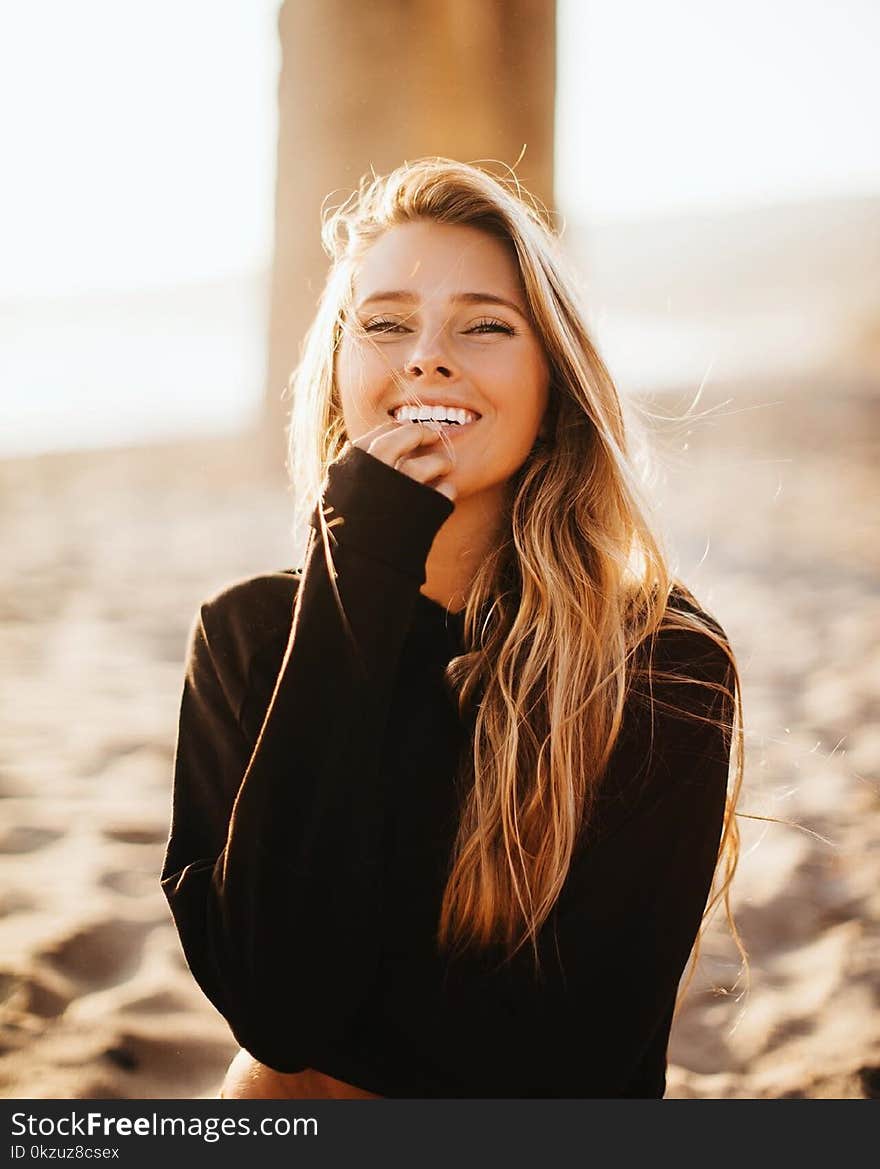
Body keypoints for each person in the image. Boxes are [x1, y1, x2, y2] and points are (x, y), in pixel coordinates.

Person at [160, 156, 746, 1100]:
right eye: (385, 324)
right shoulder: (247, 636)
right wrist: (361, 570)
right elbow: (275, 1006)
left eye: (483, 325)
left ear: (554, 388)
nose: (426, 356)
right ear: (340, 371)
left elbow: (571, 1055)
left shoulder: (662, 660)